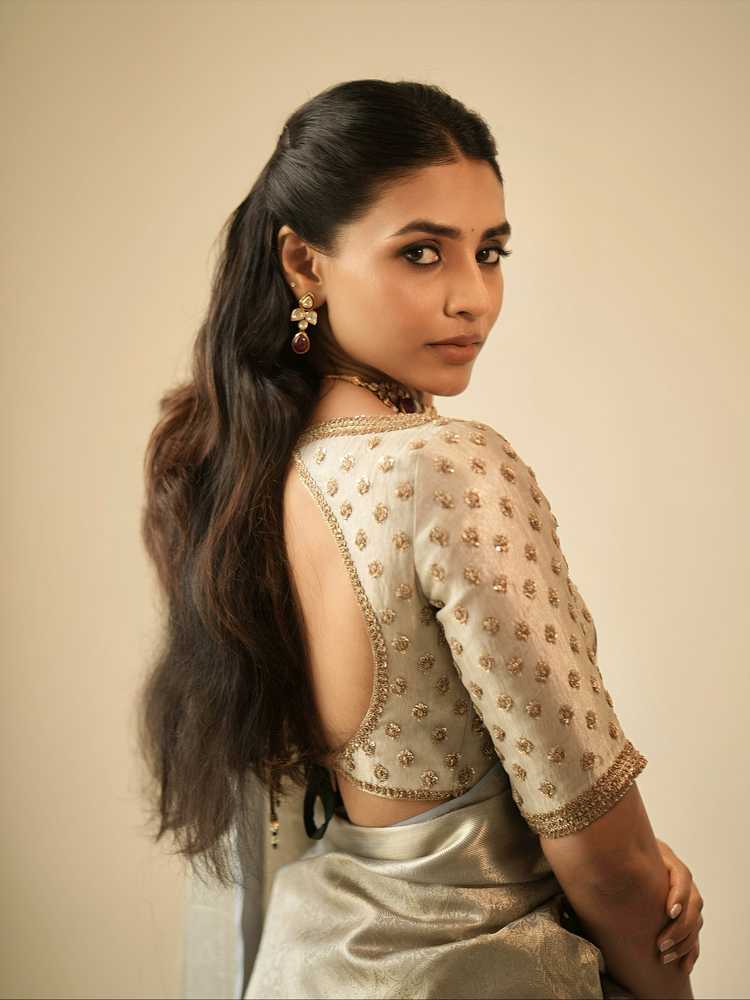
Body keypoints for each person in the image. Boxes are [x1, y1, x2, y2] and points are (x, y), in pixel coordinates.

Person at [138, 79, 703, 1000]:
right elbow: (601, 852)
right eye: (422, 253)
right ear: (304, 263)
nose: (472, 297)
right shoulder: (447, 469)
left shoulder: (245, 471)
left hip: (312, 965)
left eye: (491, 252)